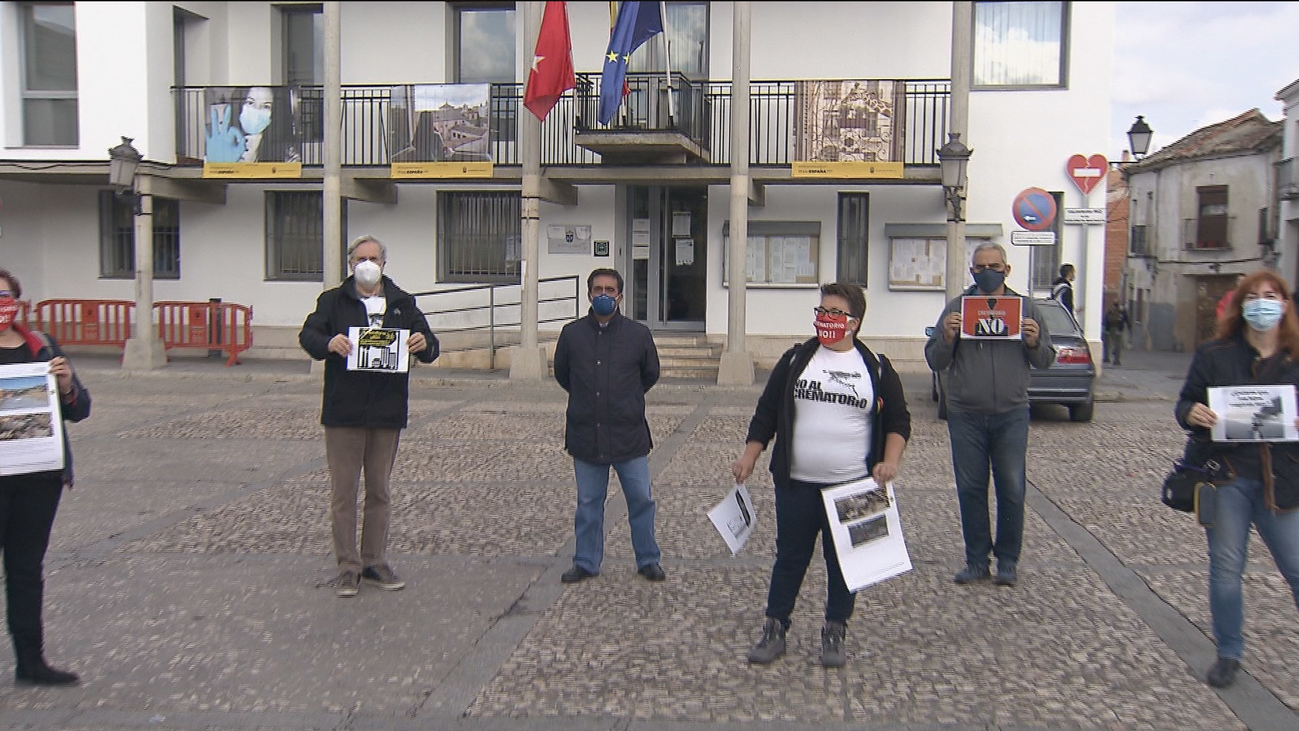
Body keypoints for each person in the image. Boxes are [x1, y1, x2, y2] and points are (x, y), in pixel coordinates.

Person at [733, 282, 911, 667]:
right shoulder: (797, 360)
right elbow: (766, 413)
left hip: (855, 486)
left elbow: (898, 421)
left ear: (854, 322)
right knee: (790, 557)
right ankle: (775, 628)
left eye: (834, 313)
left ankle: (835, 630)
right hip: (797, 483)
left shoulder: (875, 368)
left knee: (844, 560)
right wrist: (750, 455)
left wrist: (890, 461)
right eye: (821, 312)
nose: (825, 319)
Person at [1174, 269, 1299, 689]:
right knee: (1226, 569)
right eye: (1254, 296)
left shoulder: (1296, 356)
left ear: (1284, 304)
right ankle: (1228, 653)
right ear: (1242, 305)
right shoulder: (1215, 354)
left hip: (1282, 480)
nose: (1263, 303)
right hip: (1227, 478)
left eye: (1271, 295)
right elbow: (1185, 402)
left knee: (1297, 567)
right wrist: (1192, 413)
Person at [298, 235, 439, 597]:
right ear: (350, 263)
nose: (367, 263)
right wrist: (328, 343)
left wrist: (423, 344)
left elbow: (431, 346)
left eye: (373, 257)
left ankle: (374, 560)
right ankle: (348, 565)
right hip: (343, 411)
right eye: (361, 257)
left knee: (379, 491)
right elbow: (309, 335)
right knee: (343, 493)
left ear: (383, 263)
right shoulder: (333, 301)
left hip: (386, 411)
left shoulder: (402, 302)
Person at [924, 243, 1055, 587]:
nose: (987, 272)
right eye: (980, 267)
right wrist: (947, 338)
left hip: (1011, 413)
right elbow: (935, 361)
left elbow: (1045, 359)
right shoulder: (957, 308)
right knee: (970, 488)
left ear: (1007, 270)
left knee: (1012, 487)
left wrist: (1033, 342)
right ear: (972, 271)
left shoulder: (1026, 308)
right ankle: (976, 560)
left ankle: (1008, 561)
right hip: (966, 414)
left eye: (994, 265)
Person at [0, 269, 90, 685]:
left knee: (25, 570)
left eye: (4, 295)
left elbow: (79, 408)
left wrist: (67, 385)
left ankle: (30, 662)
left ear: (18, 300)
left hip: (37, 478)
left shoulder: (41, 347)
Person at [553, 268, 664, 584]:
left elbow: (649, 374)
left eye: (610, 290)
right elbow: (564, 375)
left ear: (620, 296)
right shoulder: (571, 335)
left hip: (629, 435)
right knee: (588, 504)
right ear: (588, 295)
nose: (604, 295)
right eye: (598, 289)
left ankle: (648, 559)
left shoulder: (638, 335)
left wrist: (626, 399)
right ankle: (586, 561)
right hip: (586, 434)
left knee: (641, 499)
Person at [1102, 300, 1131, 366]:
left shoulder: (1111, 310)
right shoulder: (1122, 311)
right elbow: (1126, 319)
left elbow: (1106, 319)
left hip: (1111, 329)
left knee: (1109, 344)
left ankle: (1107, 357)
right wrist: (1129, 327)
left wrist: (1106, 330)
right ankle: (1117, 360)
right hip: (1119, 329)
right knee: (1118, 345)